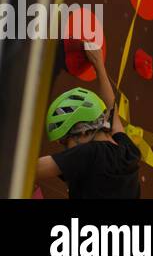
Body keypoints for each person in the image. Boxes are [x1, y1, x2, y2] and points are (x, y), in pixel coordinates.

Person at [34, 45, 141, 198]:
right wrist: (99, 66)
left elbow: (30, 169)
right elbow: (113, 112)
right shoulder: (128, 152)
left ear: (83, 131)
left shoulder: (90, 153)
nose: (67, 150)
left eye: (66, 142)